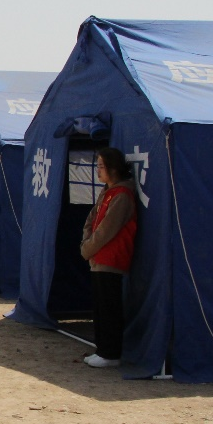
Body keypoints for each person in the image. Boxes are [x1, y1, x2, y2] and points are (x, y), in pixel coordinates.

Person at [79, 147, 138, 368]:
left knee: (109, 307)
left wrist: (88, 248)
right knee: (100, 307)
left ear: (113, 168)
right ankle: (102, 349)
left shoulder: (122, 195)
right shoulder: (107, 192)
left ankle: (111, 353)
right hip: (98, 258)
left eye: (101, 166)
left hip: (111, 258)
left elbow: (107, 230)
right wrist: (86, 244)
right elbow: (91, 220)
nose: (98, 171)